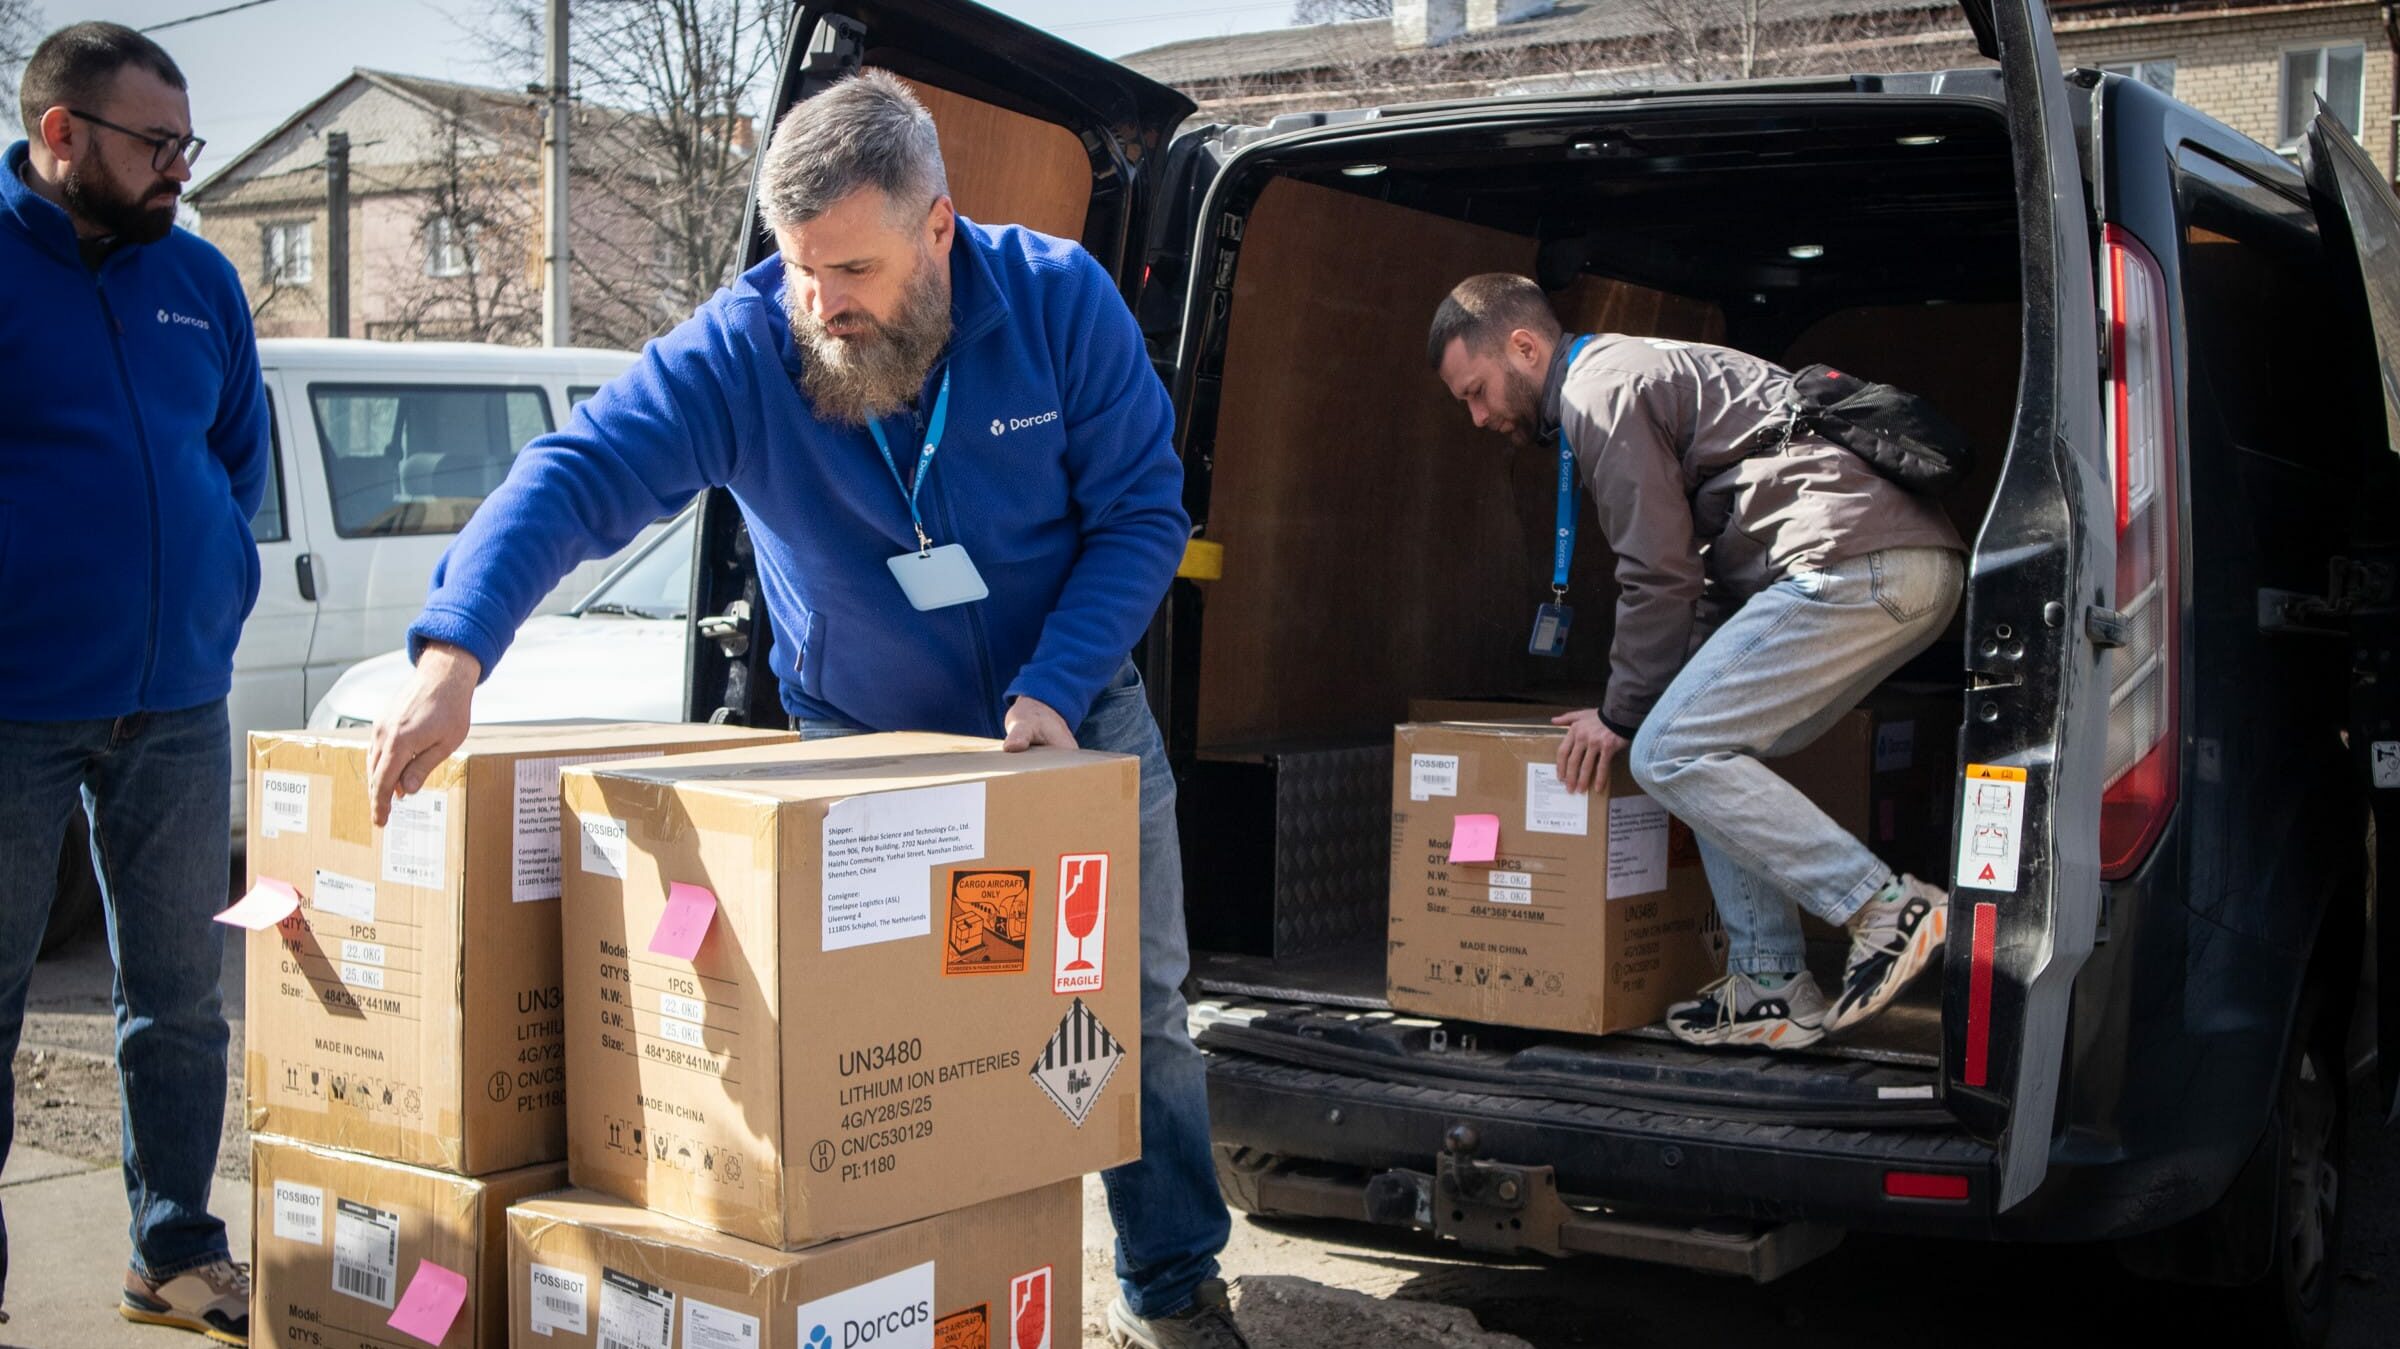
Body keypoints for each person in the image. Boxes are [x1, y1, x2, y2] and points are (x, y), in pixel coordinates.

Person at [367, 72, 1245, 1349]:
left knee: (1128, 1012)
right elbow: (577, 472)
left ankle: (1170, 1284)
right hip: (862, 754)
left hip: (1069, 729)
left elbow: (1143, 513)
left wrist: (1054, 687)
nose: (823, 302)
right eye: (799, 267)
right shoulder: (745, 348)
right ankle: (920, 1292)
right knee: (885, 1047)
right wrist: (457, 650)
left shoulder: (1059, 301)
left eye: (852, 268)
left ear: (937, 227)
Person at [1429, 273, 1966, 1050]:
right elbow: (1705, 579)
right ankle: (1770, 985)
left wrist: (1622, 715)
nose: (1478, 417)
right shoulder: (1629, 375)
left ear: (1523, 346)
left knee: (1670, 750)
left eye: (1476, 392)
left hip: (1853, 564)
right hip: (1897, 564)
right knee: (1701, 746)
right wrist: (1648, 701)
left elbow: (1659, 573)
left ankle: (1885, 908)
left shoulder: (1600, 392)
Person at [1, 20, 264, 1345]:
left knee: (179, 1001)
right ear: (61, 133)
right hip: (13, 709)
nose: (180, 168)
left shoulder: (200, 280)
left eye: (186, 142)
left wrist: (213, 592)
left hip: (175, 704)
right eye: (155, 143)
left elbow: (236, 460)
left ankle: (174, 1250)